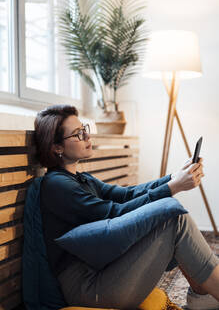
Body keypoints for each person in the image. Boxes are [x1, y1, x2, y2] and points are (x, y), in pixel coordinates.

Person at [34, 104, 219, 310]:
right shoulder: (57, 185)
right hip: (88, 288)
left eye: (85, 129)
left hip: (103, 273)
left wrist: (172, 179)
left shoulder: (82, 179)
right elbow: (114, 213)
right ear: (56, 147)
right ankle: (205, 295)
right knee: (173, 218)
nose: (87, 137)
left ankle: (202, 298)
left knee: (173, 217)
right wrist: (173, 187)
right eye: (78, 134)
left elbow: (126, 195)